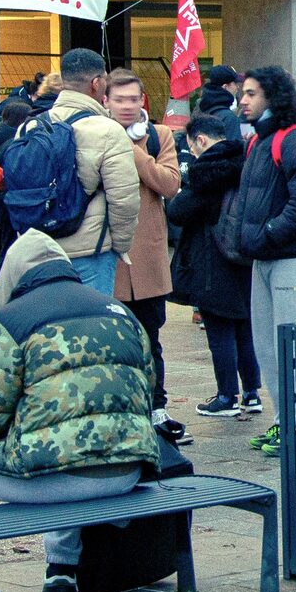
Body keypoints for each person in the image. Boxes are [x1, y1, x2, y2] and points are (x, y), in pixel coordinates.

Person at [0, 228, 163, 592]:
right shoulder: (119, 311)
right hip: (125, 472)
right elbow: (146, 392)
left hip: (60, 479)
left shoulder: (13, 320)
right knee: (68, 443)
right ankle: (62, 572)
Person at [228, 65, 296, 452]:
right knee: (268, 345)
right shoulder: (259, 142)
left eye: (252, 93)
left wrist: (271, 232)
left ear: (272, 98)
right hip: (264, 258)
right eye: (242, 93)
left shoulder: (294, 141)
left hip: (291, 256)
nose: (243, 100)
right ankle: (285, 421)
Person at [7, 49, 141, 296]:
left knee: (49, 326)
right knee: (89, 328)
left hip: (39, 251)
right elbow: (124, 201)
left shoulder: (31, 126)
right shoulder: (108, 131)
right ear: (96, 83)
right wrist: (119, 246)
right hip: (90, 254)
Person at [167, 114, 260, 419]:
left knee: (219, 328)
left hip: (212, 260)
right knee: (243, 326)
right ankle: (252, 393)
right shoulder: (247, 160)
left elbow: (179, 211)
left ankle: (226, 396)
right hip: (244, 257)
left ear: (201, 140)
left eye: (192, 145)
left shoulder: (209, 171)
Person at [106, 69, 179, 414]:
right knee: (111, 340)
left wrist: (133, 151)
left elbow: (169, 184)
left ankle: (156, 408)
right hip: (108, 257)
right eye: (119, 99)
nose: (127, 106)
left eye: (134, 99)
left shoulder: (158, 135)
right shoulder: (94, 134)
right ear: (105, 101)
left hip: (148, 260)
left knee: (151, 340)